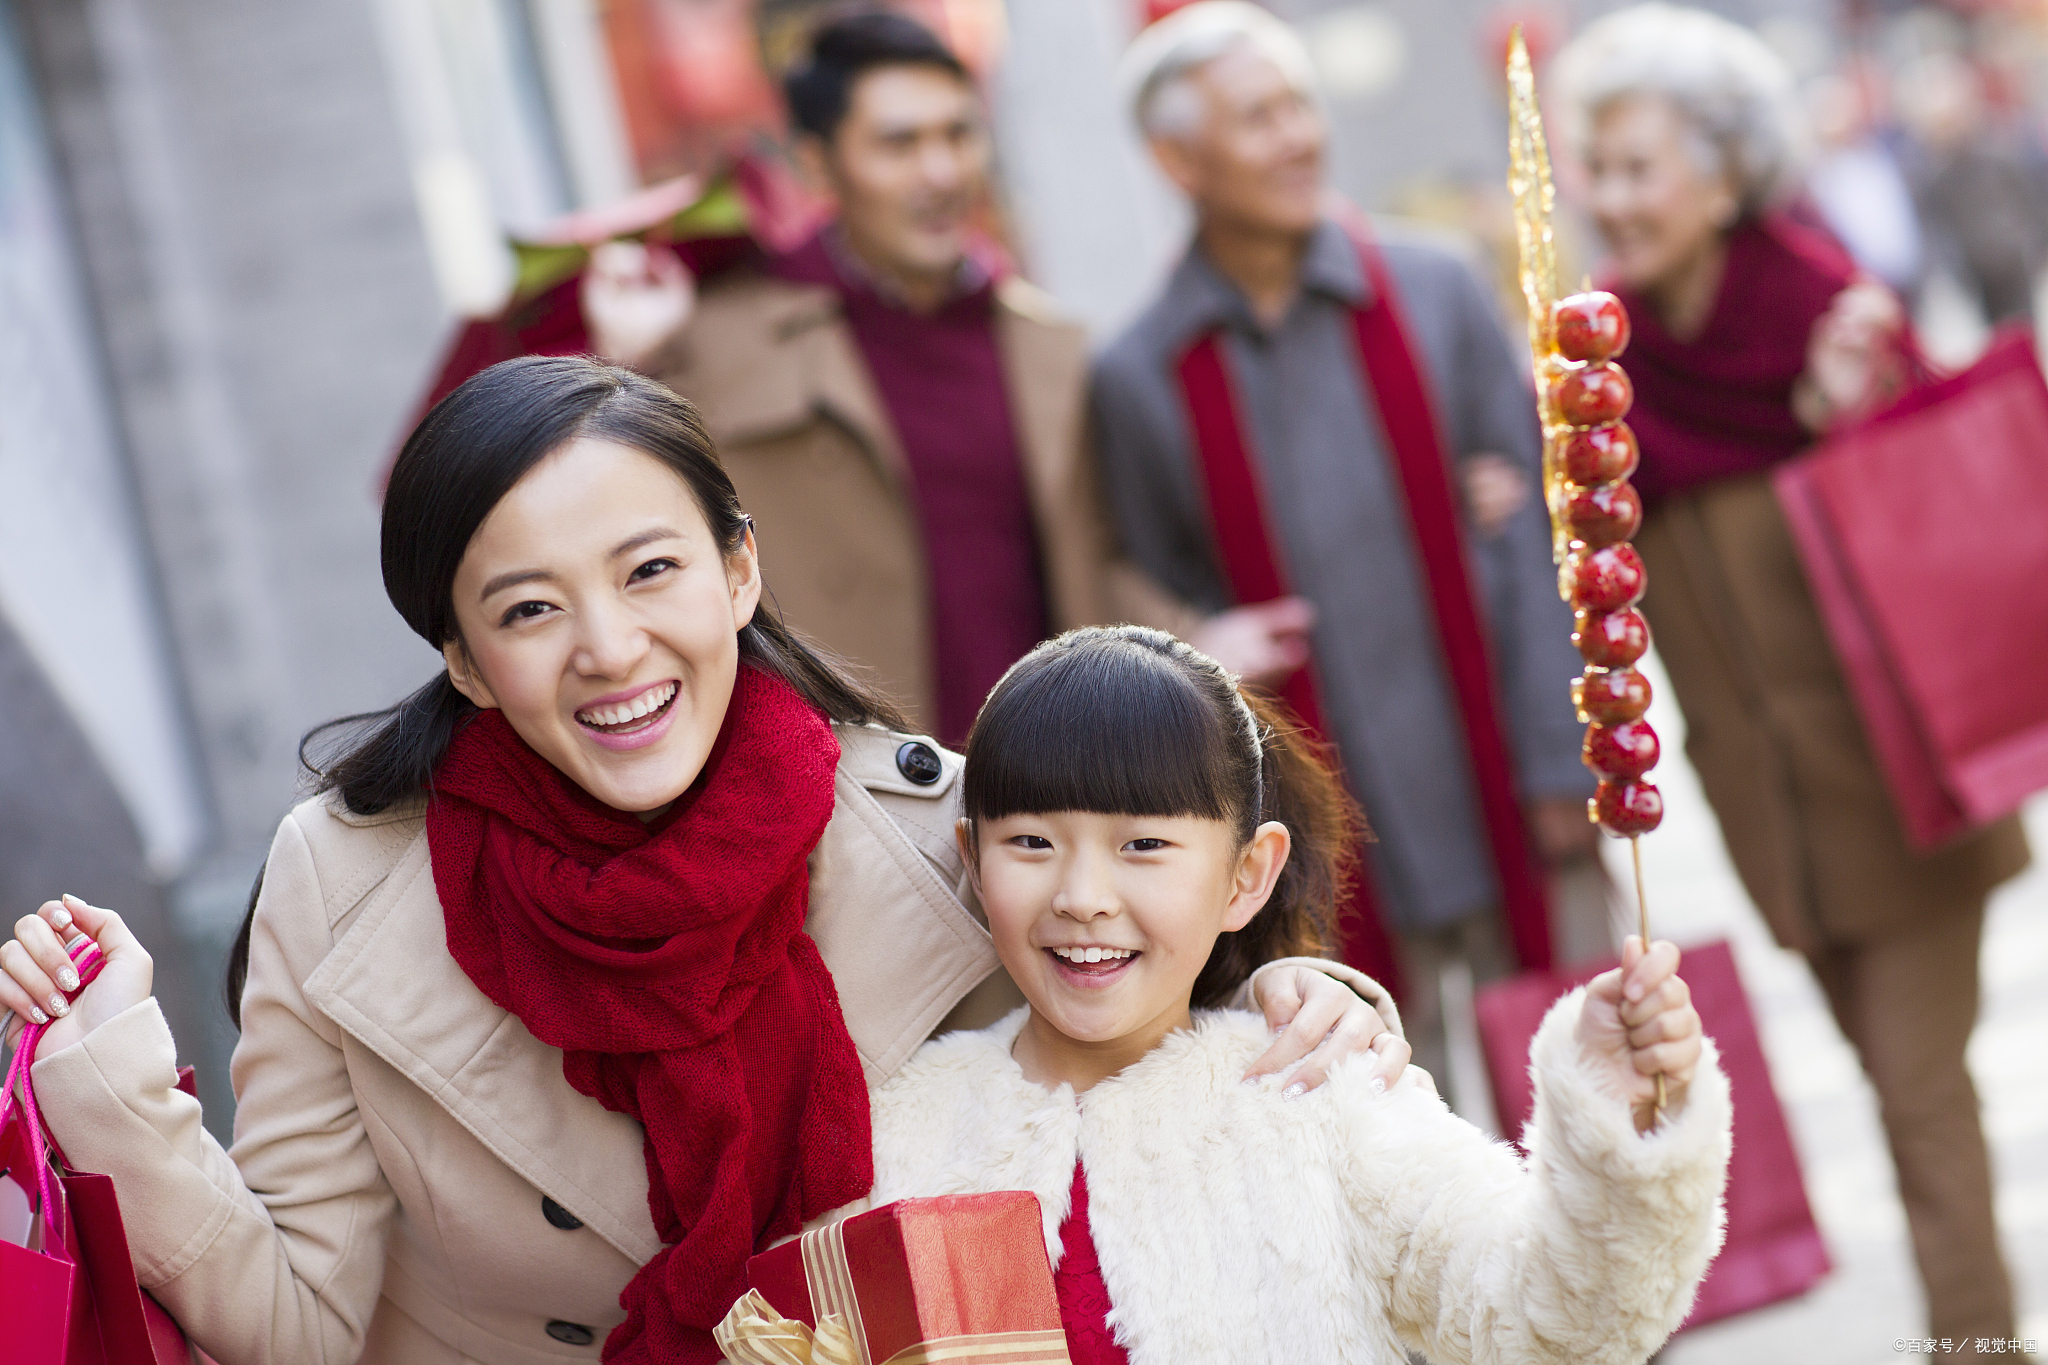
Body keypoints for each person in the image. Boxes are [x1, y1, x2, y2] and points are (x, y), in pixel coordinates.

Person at [0, 357, 1397, 1364]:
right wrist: (108, 1074)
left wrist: (1311, 1002)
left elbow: (1139, 1036)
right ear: (468, 666)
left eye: (650, 571)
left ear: (738, 571)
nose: (609, 649)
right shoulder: (346, 880)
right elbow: (299, 1326)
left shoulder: (934, 839)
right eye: (530, 609)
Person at [763, 626, 1730, 1361]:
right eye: (1032, 842)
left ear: (1246, 875)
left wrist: (1608, 1129)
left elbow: (1546, 1315)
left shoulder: (1324, 1098)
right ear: (972, 859)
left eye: (1145, 845)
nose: (1083, 897)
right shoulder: (893, 1132)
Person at [1554, 6, 2033, 1353]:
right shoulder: (1605, 361)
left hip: (1903, 784)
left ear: (1724, 169)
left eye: (1640, 163)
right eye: (1597, 164)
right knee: (1899, 1093)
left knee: (1925, 1108)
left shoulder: (1823, 307)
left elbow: (1945, 522)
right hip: (1774, 817)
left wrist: (1852, 420)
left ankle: (1978, 1345)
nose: (1611, 194)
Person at [1090, 1, 1605, 1095]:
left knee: (1576, 1106)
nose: (1293, 137)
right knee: (1394, 1142)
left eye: (1297, 106)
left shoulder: (1435, 289)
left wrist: (1561, 755)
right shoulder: (1139, 374)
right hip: (1316, 835)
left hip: (1504, 785)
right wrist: (1194, 637)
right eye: (1255, 117)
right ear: (1176, 157)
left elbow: (1542, 539)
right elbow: (1138, 583)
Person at [582, 11, 1303, 750]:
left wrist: (1196, 641)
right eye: (900, 143)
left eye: (958, 135)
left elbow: (1091, 558)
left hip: (1046, 785)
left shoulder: (1044, 345)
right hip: (845, 787)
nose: (942, 172)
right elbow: (614, 527)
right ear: (818, 166)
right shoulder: (715, 340)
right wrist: (628, 358)